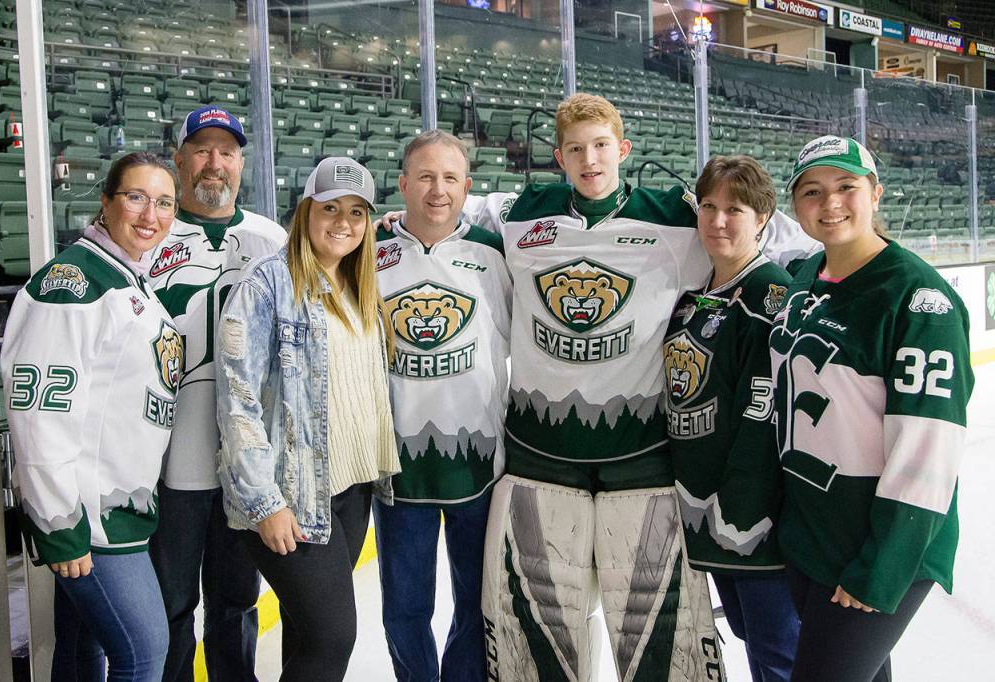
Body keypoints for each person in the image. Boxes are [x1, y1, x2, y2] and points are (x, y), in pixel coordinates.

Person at [377, 94, 814, 680]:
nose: (590, 160)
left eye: (602, 146)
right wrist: (392, 223)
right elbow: (449, 207)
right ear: (559, 156)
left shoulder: (675, 217)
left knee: (650, 635)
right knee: (542, 633)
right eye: (576, 149)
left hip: (643, 463)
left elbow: (752, 230)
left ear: (624, 149)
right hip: (539, 460)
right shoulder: (521, 212)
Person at [771, 135, 973, 681]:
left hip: (881, 546)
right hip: (814, 534)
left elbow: (928, 450)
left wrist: (882, 569)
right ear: (796, 205)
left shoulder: (918, 299)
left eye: (846, 187)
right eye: (812, 191)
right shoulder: (806, 278)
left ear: (875, 193)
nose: (830, 203)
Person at [216, 157, 400, 682]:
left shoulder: (360, 285)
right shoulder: (267, 285)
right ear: (305, 211)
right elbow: (237, 400)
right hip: (289, 494)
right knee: (332, 638)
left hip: (350, 488)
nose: (344, 222)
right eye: (331, 208)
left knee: (304, 635)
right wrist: (264, 502)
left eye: (358, 212)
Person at [2, 152, 184, 681]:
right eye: (136, 197)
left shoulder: (128, 280)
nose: (151, 214)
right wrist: (59, 522)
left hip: (115, 511)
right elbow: (40, 414)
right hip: (89, 519)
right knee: (145, 652)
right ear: (105, 203)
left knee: (82, 656)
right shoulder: (75, 284)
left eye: (164, 203)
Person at [147, 105, 286, 682]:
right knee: (171, 605)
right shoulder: (149, 235)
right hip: (171, 460)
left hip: (242, 462)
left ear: (241, 163)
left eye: (226, 152)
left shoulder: (271, 239)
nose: (214, 163)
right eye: (201, 150)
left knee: (235, 602)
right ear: (179, 160)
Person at [373, 130, 512, 681]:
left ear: (467, 187)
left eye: (450, 178)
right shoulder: (369, 254)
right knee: (405, 609)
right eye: (425, 177)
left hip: (479, 464)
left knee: (477, 604)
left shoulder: (494, 253)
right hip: (398, 468)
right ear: (403, 184)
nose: (437, 190)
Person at [664, 155, 799, 682]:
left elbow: (762, 418)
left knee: (778, 652)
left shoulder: (771, 294)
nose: (718, 220)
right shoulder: (697, 295)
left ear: (763, 217)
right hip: (704, 511)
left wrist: (740, 508)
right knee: (750, 636)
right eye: (709, 206)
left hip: (749, 518)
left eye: (735, 209)